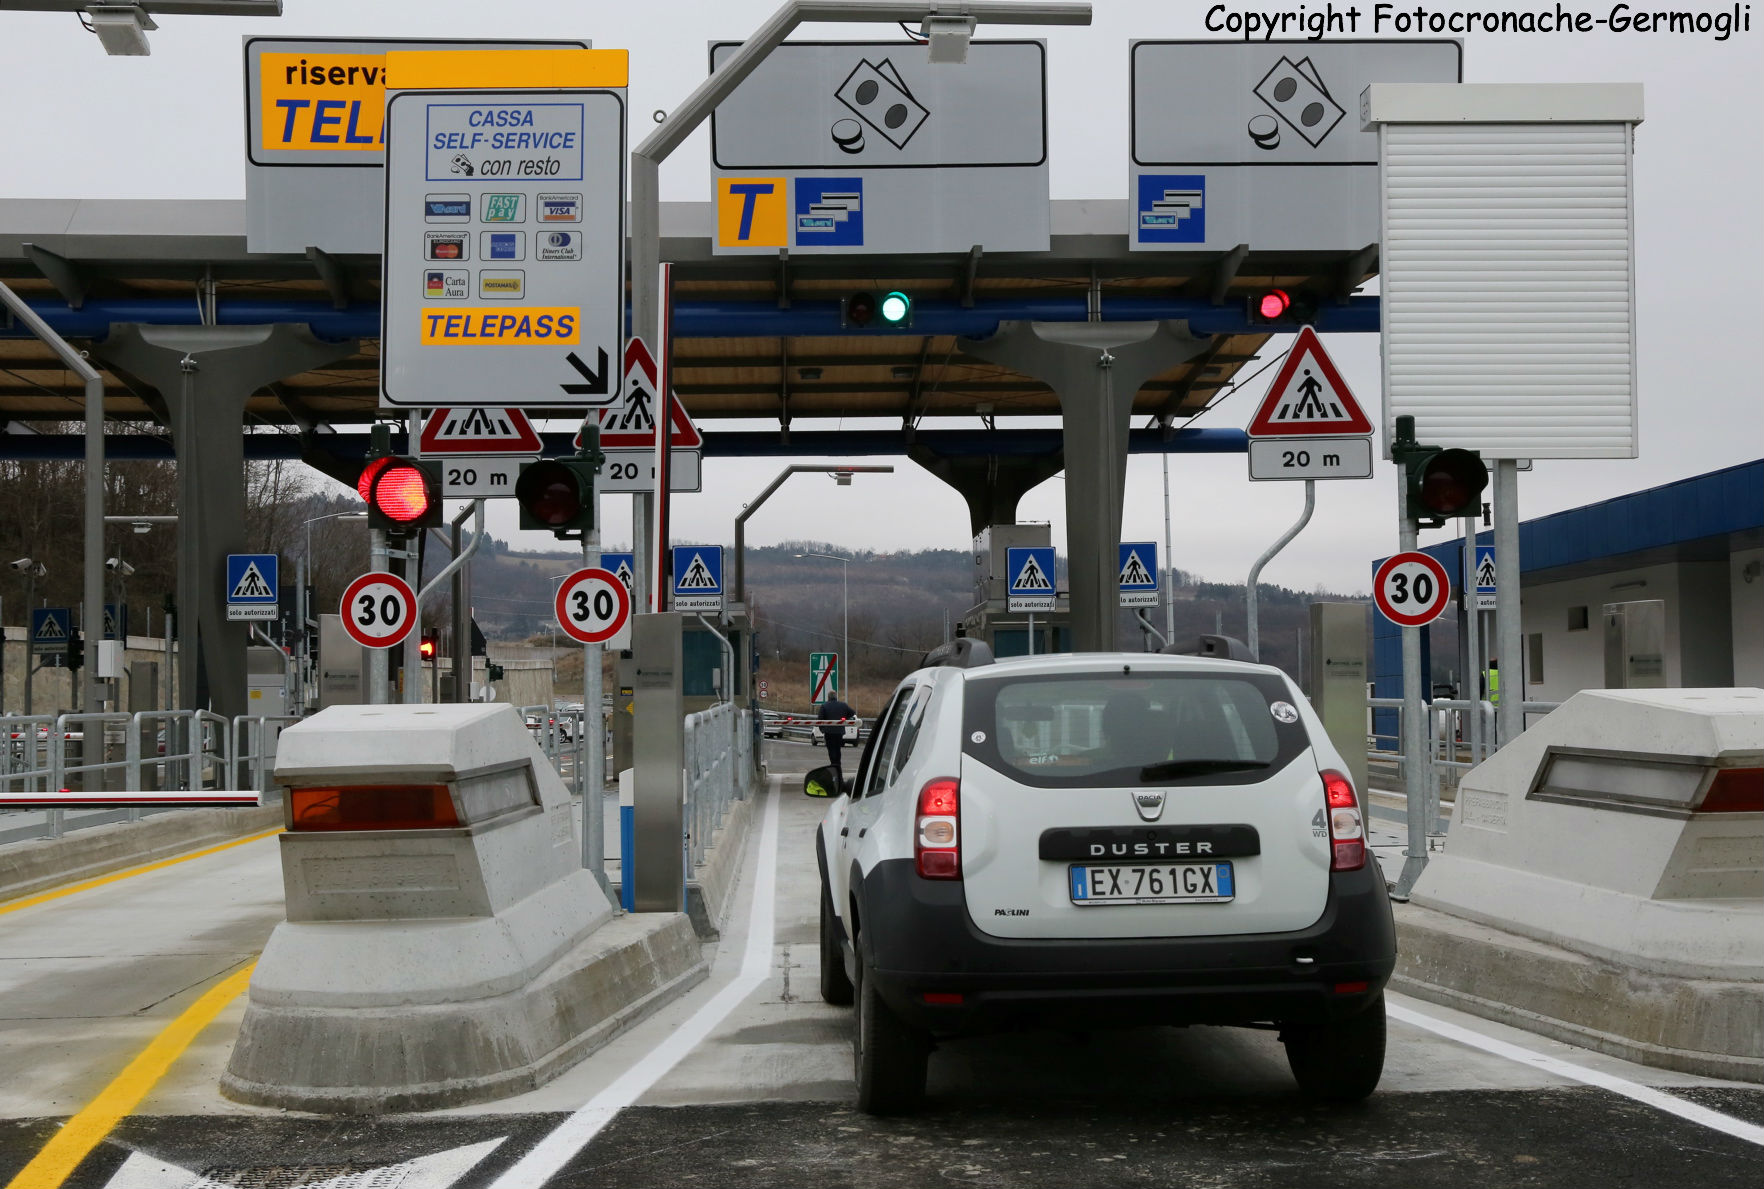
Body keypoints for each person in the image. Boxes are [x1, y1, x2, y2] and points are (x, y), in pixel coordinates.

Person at [818, 692, 855, 778]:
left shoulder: (824, 706)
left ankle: (834, 766)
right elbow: (852, 712)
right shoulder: (843, 705)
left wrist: (822, 729)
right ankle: (838, 766)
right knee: (837, 750)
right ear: (836, 697)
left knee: (831, 750)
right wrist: (845, 718)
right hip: (839, 732)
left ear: (828, 697)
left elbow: (820, 719)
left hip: (829, 732)